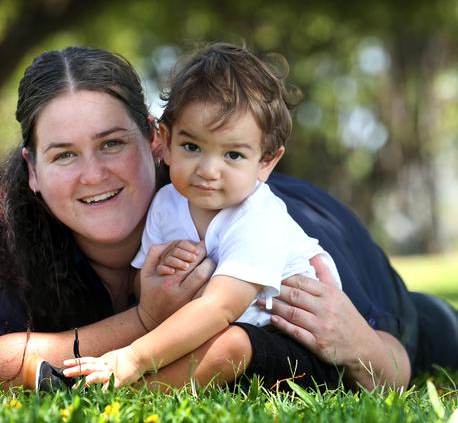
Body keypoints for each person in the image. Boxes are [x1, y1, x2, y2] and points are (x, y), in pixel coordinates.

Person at [0, 46, 458, 393]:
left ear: (153, 139)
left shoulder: (253, 219)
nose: (93, 174)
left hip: (343, 268)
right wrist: (142, 319)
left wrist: (361, 343)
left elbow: (388, 371)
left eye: (112, 143)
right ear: (34, 169)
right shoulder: (17, 234)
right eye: (64, 154)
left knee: (437, 328)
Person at [61, 43, 343, 389]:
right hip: (223, 334)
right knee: (217, 340)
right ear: (164, 139)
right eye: (192, 147)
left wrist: (132, 356)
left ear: (266, 161)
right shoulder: (166, 202)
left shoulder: (260, 220)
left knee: (230, 343)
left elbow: (218, 308)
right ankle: (102, 378)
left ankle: (124, 388)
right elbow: (141, 286)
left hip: (299, 346)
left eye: (233, 155)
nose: (208, 170)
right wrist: (162, 270)